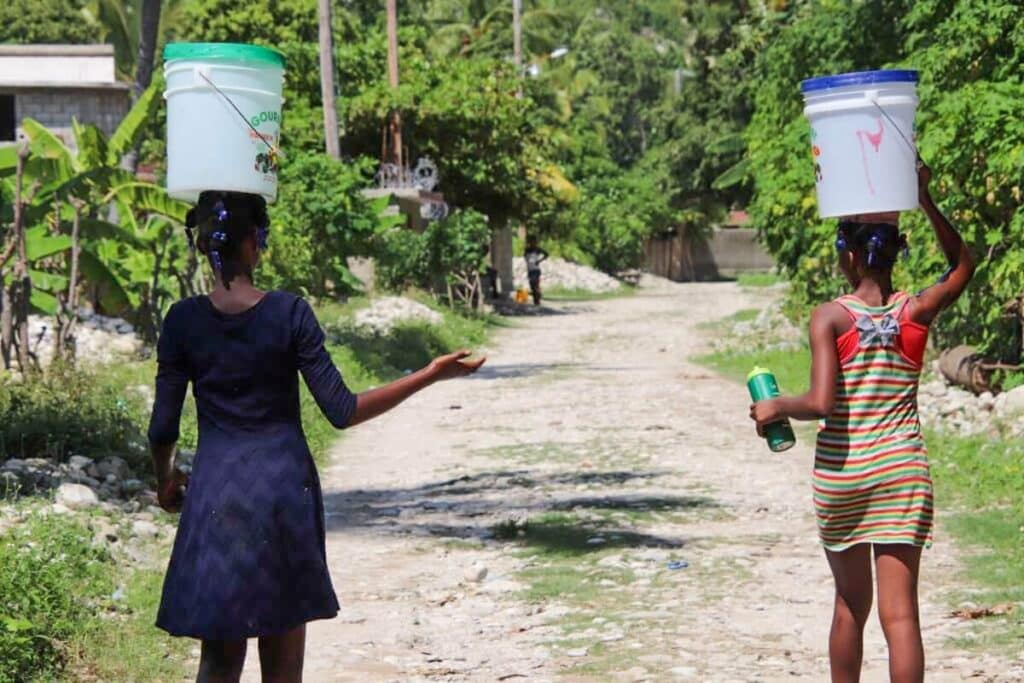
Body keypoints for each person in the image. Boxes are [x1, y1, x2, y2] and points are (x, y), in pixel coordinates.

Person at [147, 191, 485, 683]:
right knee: (283, 666)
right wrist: (430, 374)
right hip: (284, 496)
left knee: (218, 663)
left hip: (217, 498)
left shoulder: (182, 321)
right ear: (252, 243)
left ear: (203, 247)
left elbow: (163, 426)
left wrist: (166, 479)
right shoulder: (289, 313)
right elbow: (343, 411)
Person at [749, 162, 974, 683]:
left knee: (851, 608)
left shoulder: (831, 316)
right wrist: (924, 198)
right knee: (902, 617)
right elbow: (963, 267)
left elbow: (822, 403)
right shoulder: (914, 313)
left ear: (848, 254)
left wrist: (778, 406)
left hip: (845, 476)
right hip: (901, 473)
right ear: (896, 253)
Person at [524, 236, 549, 305]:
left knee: (535, 285)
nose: (532, 243)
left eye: (534, 241)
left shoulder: (537, 249)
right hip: (530, 269)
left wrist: (539, 261)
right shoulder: (527, 249)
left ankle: (537, 300)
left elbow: (546, 254)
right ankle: (536, 299)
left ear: (535, 242)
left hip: (536, 269)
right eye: (531, 241)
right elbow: (525, 257)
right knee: (532, 285)